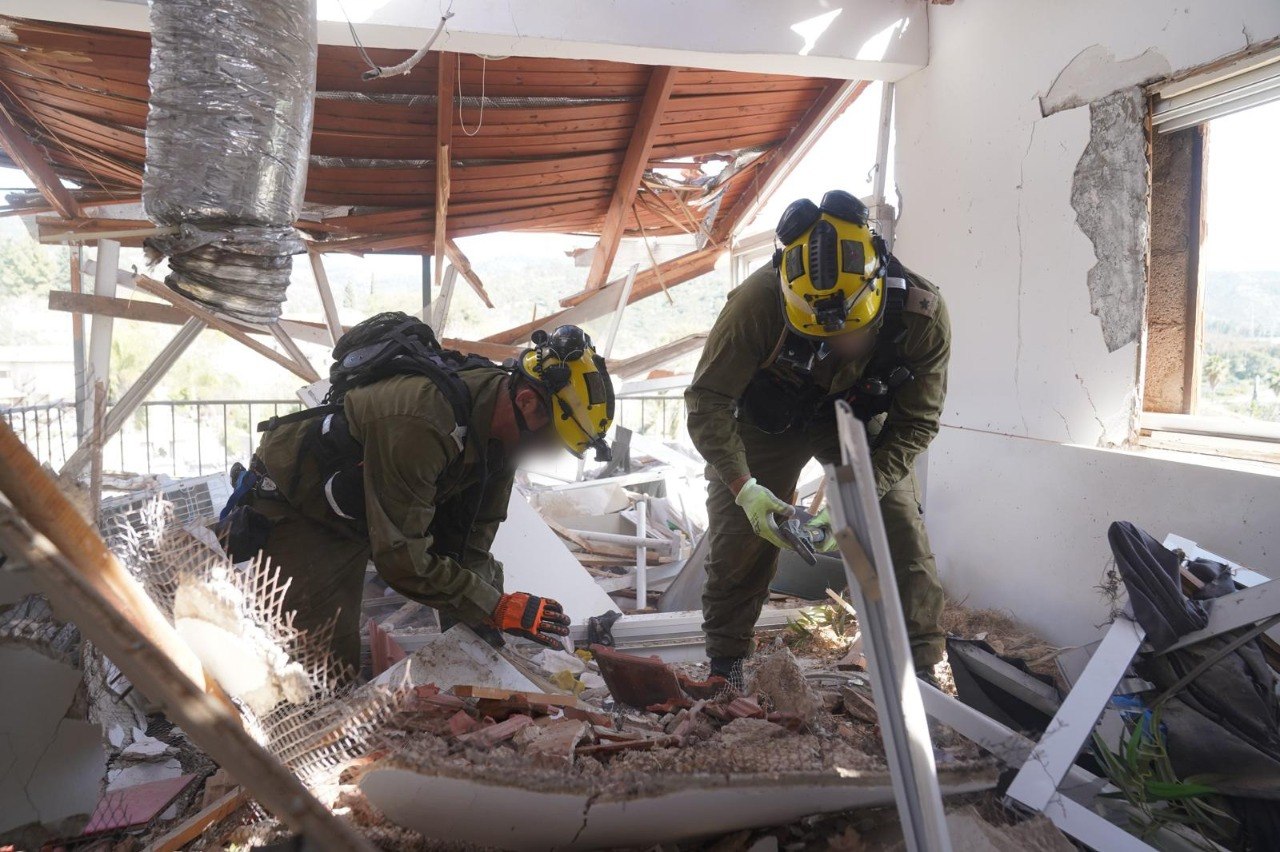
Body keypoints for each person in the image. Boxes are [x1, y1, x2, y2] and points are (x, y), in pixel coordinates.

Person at [220, 316, 615, 675]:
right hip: (300, 504)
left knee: (466, 619)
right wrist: (492, 605)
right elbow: (401, 559)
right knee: (317, 664)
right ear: (528, 402)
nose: (546, 456)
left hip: (364, 504)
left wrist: (491, 613)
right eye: (551, 444)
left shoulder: (502, 433)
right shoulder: (423, 421)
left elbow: (470, 538)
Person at [685, 190, 951, 687]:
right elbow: (706, 402)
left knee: (896, 524)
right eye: (821, 337)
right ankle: (727, 664)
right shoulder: (758, 302)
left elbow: (917, 424)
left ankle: (920, 671)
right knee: (739, 538)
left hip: (851, 415)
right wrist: (745, 488)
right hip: (767, 419)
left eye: (850, 334)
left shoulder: (921, 313)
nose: (837, 347)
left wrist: (863, 492)